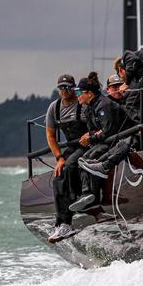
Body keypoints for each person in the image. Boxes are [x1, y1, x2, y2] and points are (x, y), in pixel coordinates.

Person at [69, 75, 130, 212]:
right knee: (82, 159)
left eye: (79, 92)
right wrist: (91, 136)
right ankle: (85, 193)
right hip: (105, 140)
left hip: (118, 140)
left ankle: (93, 196)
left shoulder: (104, 104)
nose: (76, 95)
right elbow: (95, 131)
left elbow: (108, 131)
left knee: (93, 155)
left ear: (89, 93)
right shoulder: (89, 107)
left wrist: (90, 137)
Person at [44, 74, 89, 243]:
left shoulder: (82, 104)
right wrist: (58, 157)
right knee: (58, 175)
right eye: (61, 88)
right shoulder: (54, 108)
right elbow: (50, 135)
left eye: (68, 87)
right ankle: (60, 222)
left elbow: (95, 126)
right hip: (71, 147)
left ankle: (68, 220)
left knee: (70, 167)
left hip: (86, 145)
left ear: (74, 88)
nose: (64, 91)